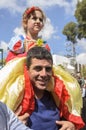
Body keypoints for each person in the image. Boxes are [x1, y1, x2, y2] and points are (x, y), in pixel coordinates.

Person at [0, 6, 85, 130]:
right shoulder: (20, 42)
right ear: (25, 21)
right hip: (20, 80)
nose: (38, 21)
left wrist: (70, 124)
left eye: (41, 19)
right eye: (34, 18)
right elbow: (11, 61)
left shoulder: (44, 44)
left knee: (64, 88)